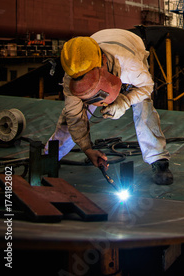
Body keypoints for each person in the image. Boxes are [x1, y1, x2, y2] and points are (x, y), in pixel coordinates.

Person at [45, 29, 173, 185]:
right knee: (72, 115)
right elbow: (74, 116)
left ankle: (158, 159)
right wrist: (87, 148)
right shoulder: (72, 75)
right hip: (102, 39)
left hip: (131, 44)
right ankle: (50, 156)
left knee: (143, 104)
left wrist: (125, 101)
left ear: (103, 61)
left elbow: (147, 86)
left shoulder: (130, 65)